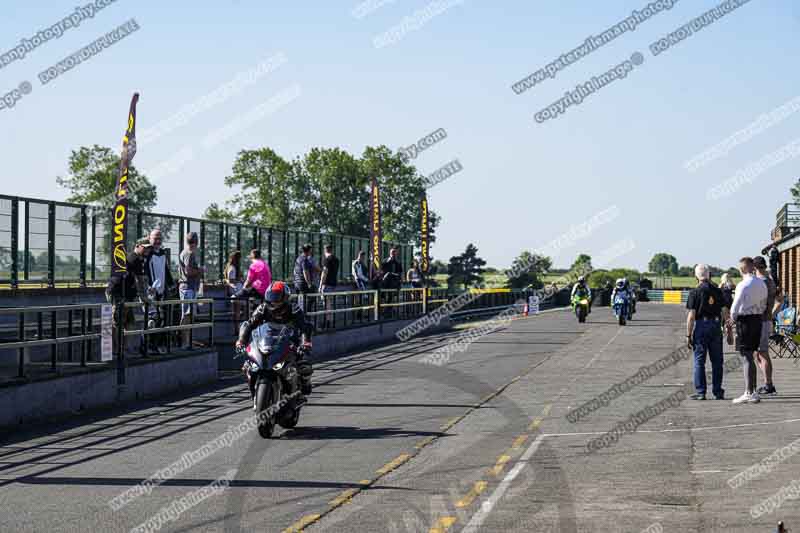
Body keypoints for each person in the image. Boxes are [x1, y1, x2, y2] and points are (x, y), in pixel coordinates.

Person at [236, 281, 314, 399]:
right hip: (268, 342)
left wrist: (305, 342)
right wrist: (241, 341)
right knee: (248, 365)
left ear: (286, 298)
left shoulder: (294, 309)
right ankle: (255, 388)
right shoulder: (263, 308)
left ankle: (305, 383)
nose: (274, 302)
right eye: (272, 297)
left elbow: (304, 326)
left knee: (304, 366)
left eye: (277, 298)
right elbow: (249, 324)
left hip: (290, 341)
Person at [727, 257, 768, 404]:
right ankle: (753, 391)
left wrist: (732, 320)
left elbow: (734, 308)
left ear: (743, 269)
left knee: (746, 357)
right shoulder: (761, 283)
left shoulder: (743, 285)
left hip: (745, 321)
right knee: (752, 354)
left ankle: (749, 392)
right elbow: (764, 304)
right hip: (758, 320)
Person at [685, 264, 726, 400]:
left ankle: (701, 392)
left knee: (699, 361)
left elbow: (691, 316)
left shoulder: (694, 292)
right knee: (717, 361)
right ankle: (718, 391)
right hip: (716, 325)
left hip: (701, 325)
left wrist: (688, 335)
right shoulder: (718, 291)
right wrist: (728, 330)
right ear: (709, 275)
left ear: (696, 276)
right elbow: (725, 312)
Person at [107, 238, 151, 354]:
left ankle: (124, 348)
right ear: (138, 246)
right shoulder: (134, 258)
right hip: (118, 293)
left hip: (127, 294)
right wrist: (144, 298)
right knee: (117, 321)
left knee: (130, 322)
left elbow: (140, 280)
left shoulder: (140, 259)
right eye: (145, 247)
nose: (147, 250)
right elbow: (139, 281)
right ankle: (116, 350)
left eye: (149, 248)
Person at [145, 228, 175, 354]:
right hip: (150, 291)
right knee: (152, 319)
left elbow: (165, 270)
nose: (157, 241)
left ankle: (156, 345)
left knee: (161, 319)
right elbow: (144, 272)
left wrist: (171, 284)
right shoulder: (147, 254)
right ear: (149, 238)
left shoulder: (162, 253)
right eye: (155, 238)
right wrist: (148, 286)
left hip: (161, 291)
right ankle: (148, 345)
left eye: (159, 238)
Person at [754, 256, 780, 395]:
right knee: (758, 353)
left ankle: (769, 384)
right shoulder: (770, 281)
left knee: (762, 353)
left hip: (760, 321)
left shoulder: (761, 282)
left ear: (755, 268)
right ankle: (767, 383)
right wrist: (772, 314)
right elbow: (780, 301)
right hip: (766, 320)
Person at [178, 232, 205, 348]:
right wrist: (200, 270)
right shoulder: (189, 254)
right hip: (187, 287)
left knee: (189, 315)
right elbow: (188, 272)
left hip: (189, 287)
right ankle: (184, 342)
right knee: (187, 315)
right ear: (196, 242)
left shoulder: (186, 253)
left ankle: (187, 341)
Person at [319, 244, 339, 328]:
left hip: (327, 284)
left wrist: (320, 285)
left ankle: (327, 323)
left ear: (325, 250)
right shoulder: (336, 259)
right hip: (334, 284)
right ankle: (332, 322)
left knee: (327, 304)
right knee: (331, 304)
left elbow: (324, 272)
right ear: (332, 250)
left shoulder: (326, 260)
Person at [380, 248, 403, 317]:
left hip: (394, 281)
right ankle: (386, 310)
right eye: (392, 252)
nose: (393, 254)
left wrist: (393, 275)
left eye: (394, 252)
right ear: (390, 253)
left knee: (391, 296)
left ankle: (388, 310)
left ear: (396, 254)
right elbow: (381, 271)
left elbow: (400, 273)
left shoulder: (398, 263)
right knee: (385, 296)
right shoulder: (385, 261)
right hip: (386, 282)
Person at [293, 244, 316, 311]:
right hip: (303, 283)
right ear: (309, 250)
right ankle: (305, 315)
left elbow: (294, 271)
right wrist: (309, 283)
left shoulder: (298, 258)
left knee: (300, 300)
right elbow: (305, 272)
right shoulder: (304, 259)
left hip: (297, 283)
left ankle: (302, 314)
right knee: (311, 298)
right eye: (311, 250)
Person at [224, 251, 243, 325]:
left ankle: (237, 327)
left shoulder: (231, 267)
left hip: (236, 290)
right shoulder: (232, 268)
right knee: (237, 311)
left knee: (237, 311)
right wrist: (239, 280)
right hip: (236, 290)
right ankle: (237, 329)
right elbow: (231, 280)